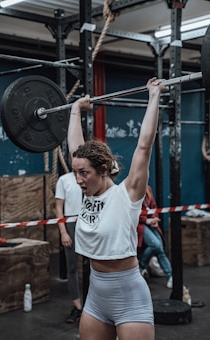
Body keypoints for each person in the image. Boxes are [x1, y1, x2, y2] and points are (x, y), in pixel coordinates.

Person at [67, 77, 167, 340]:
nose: (78, 180)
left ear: (102, 170)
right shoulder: (87, 190)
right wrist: (76, 108)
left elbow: (144, 146)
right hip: (97, 297)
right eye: (76, 173)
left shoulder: (127, 194)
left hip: (129, 297)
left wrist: (154, 96)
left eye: (83, 174)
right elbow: (75, 150)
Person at [55, 171, 83, 323]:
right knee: (72, 268)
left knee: (95, 266)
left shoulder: (92, 176)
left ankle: (95, 307)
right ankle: (77, 308)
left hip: (89, 222)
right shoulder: (64, 180)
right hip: (71, 224)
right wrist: (63, 232)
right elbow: (58, 208)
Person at [137, 185, 173, 288]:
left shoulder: (147, 188)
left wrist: (154, 219)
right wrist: (146, 220)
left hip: (149, 223)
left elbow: (153, 206)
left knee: (160, 248)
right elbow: (131, 212)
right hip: (138, 225)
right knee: (156, 245)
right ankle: (142, 266)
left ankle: (170, 277)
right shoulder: (130, 189)